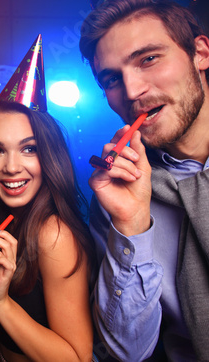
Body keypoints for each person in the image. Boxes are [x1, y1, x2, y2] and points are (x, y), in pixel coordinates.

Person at [79, 0, 209, 360]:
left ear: (200, 53)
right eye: (111, 78)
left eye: (149, 59)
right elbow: (128, 352)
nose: (132, 90)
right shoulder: (118, 194)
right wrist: (131, 224)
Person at [0, 99, 96, 362]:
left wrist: (1, 303)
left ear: (50, 154)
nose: (12, 167)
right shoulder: (6, 218)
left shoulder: (53, 234)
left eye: (29, 148)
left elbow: (76, 358)